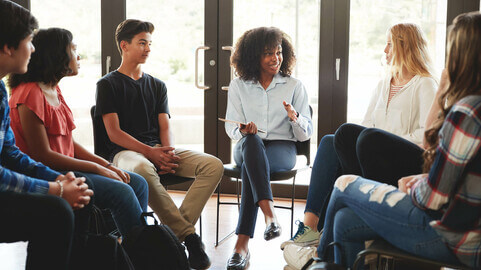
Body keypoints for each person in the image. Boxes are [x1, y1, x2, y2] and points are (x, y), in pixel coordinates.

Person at [312, 11, 481, 269]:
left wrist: (414, 184)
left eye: (452, 49)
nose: (384, 49)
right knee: (345, 213)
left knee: (345, 183)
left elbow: (431, 196)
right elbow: (461, 177)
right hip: (455, 220)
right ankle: (317, 238)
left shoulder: (465, 112)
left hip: (455, 237)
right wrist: (426, 180)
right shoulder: (469, 109)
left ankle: (316, 254)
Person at [281, 22, 437, 258]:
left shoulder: (424, 83)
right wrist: (372, 139)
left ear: (405, 47)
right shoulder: (384, 84)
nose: (385, 51)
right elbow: (366, 126)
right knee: (330, 142)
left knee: (357, 136)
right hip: (371, 153)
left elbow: (426, 137)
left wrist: (384, 140)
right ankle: (311, 228)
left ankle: (342, 210)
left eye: (389, 44)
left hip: (404, 160)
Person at [95, 19, 223, 270]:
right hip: (125, 153)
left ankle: (171, 235)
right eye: (142, 43)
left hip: (156, 149)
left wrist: (168, 153)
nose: (148, 48)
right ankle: (189, 238)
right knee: (143, 170)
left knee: (213, 165)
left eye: (150, 43)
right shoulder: (107, 85)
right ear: (124, 45)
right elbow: (114, 133)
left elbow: (165, 127)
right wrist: (151, 153)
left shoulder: (157, 85)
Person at [8, 27, 148, 238]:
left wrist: (106, 164)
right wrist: (98, 169)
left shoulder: (53, 89)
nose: (79, 55)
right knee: (123, 192)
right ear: (56, 55)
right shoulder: (29, 93)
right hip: (49, 173)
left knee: (137, 182)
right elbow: (42, 156)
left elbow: (68, 143)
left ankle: (121, 248)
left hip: (67, 167)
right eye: (73, 49)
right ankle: (141, 254)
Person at [0, 1, 93, 269]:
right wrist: (56, 189)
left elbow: (11, 154)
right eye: (29, 41)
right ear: (8, 47)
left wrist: (58, 179)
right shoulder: (27, 92)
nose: (33, 49)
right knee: (57, 211)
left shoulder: (0, 91)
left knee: (82, 194)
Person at [224, 26, 312, 270]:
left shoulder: (294, 86)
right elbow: (230, 128)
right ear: (253, 57)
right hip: (247, 144)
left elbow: (306, 133)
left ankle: (241, 246)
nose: (276, 58)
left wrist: (294, 117)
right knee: (252, 146)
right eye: (268, 53)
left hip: (281, 148)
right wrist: (243, 130)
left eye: (279, 52)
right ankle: (270, 215)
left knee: (251, 169)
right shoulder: (239, 86)